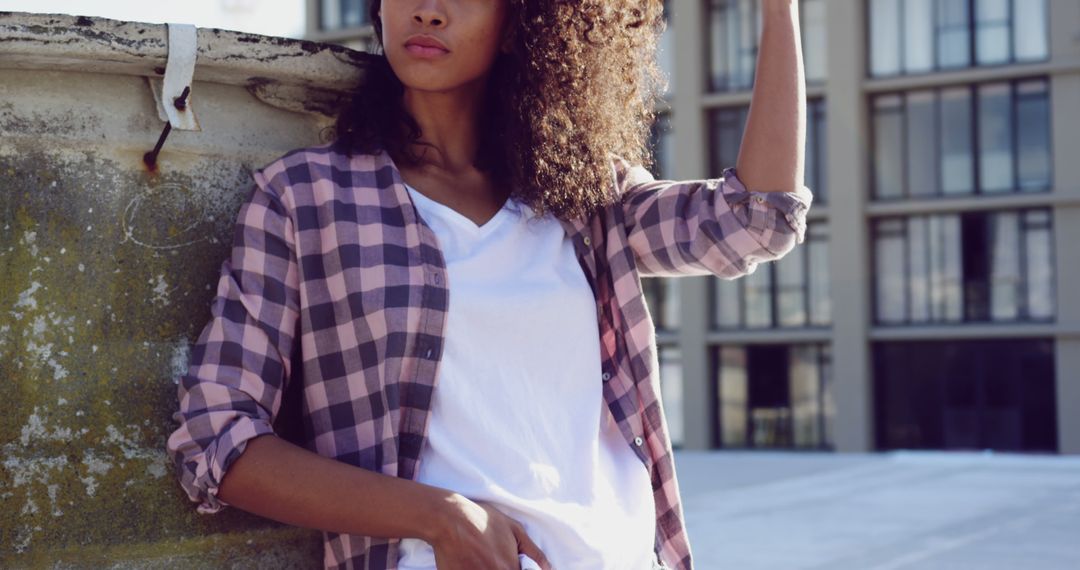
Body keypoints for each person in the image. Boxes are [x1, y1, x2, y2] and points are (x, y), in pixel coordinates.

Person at [165, 1, 813, 569]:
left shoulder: (584, 197)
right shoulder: (307, 196)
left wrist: (779, 12)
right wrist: (438, 516)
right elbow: (217, 439)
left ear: (518, 22)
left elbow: (752, 222)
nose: (428, 10)